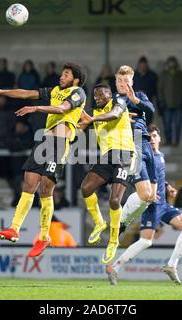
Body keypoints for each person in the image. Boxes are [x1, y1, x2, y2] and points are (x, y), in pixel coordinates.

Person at [0, 62, 87, 257]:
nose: (61, 76)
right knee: (28, 184)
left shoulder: (78, 92)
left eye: (66, 74)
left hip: (60, 143)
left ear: (75, 79)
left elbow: (63, 109)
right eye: (62, 74)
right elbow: (26, 93)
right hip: (44, 142)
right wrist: (0, 91)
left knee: (46, 188)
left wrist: (36, 108)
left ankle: (44, 236)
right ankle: (14, 228)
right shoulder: (54, 90)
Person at [107, 125, 182, 285]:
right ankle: (115, 266)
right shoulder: (144, 157)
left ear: (160, 138)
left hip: (164, 204)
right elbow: (142, 177)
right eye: (149, 137)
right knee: (146, 241)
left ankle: (171, 266)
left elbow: (159, 175)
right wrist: (147, 194)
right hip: (152, 205)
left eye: (154, 136)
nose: (152, 139)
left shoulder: (160, 156)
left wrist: (168, 186)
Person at [79, 84, 136, 264]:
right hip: (106, 157)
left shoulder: (118, 101)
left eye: (101, 94)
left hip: (124, 154)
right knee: (86, 188)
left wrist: (91, 120)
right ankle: (99, 222)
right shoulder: (95, 114)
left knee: (114, 200)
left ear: (109, 94)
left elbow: (115, 114)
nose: (97, 97)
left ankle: (113, 239)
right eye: (95, 95)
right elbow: (80, 120)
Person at [114, 65, 157, 233]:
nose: (122, 83)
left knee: (150, 197)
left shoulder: (139, 95)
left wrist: (136, 100)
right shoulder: (114, 100)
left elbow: (151, 110)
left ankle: (124, 223)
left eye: (126, 80)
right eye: (119, 80)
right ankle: (121, 221)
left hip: (146, 144)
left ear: (132, 81)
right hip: (131, 145)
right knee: (145, 194)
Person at [158, 56, 182, 146]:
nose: (172, 64)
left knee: (178, 125)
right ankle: (168, 141)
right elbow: (160, 89)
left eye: (173, 62)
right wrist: (161, 101)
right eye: (170, 62)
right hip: (166, 105)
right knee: (167, 125)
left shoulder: (181, 74)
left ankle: (176, 141)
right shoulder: (163, 74)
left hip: (178, 104)